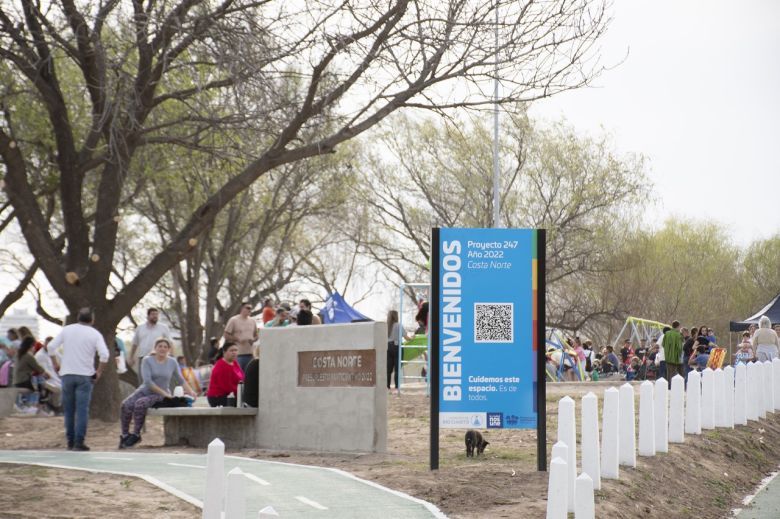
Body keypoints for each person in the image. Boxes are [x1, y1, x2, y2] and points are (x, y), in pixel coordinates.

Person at [46, 308, 109, 451]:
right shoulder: (95, 334)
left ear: (78, 318)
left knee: (68, 410)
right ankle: (79, 442)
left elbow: (50, 347)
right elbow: (104, 355)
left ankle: (70, 440)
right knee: (82, 410)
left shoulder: (67, 330)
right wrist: (98, 372)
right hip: (85, 375)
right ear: (92, 320)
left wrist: (56, 363)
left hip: (67, 374)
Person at [119, 338, 196, 448]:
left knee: (140, 404)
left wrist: (191, 391)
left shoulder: (172, 362)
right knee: (125, 405)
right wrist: (167, 395)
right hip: (145, 390)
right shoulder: (147, 360)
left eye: (165, 347)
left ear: (169, 349)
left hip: (160, 394)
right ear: (155, 348)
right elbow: (148, 382)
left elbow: (180, 379)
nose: (162, 349)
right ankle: (125, 435)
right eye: (160, 346)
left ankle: (136, 435)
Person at [13, 336, 49, 414]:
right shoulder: (28, 356)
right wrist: (47, 375)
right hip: (23, 381)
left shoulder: (18, 354)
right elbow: (38, 368)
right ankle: (33, 406)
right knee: (39, 384)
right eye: (34, 345)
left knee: (35, 380)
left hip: (16, 380)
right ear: (31, 346)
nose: (34, 348)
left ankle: (26, 405)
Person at [224, 302, 259, 372]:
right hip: (238, 354)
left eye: (251, 309)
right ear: (242, 308)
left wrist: (253, 340)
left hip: (250, 354)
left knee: (249, 377)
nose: (250, 310)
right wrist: (237, 339)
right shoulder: (233, 320)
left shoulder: (253, 321)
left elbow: (256, 335)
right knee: (238, 377)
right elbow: (226, 335)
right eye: (248, 308)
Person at [207, 342, 244, 407]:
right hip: (218, 397)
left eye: (236, 350)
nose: (234, 352)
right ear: (224, 352)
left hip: (232, 394)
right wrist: (242, 391)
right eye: (231, 350)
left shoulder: (234, 363)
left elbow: (242, 377)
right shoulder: (221, 366)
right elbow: (227, 387)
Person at [386, 310, 412, 393]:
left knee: (388, 369)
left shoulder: (386, 326)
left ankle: (387, 387)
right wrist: (413, 337)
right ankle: (397, 387)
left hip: (388, 347)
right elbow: (407, 337)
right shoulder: (398, 325)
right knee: (397, 368)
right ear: (396, 316)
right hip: (397, 347)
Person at [662, 320, 684, 386]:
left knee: (669, 373)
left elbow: (663, 344)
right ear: (678, 326)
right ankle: (676, 386)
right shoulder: (679, 335)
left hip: (668, 356)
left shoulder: (667, 333)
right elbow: (680, 347)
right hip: (676, 357)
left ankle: (669, 386)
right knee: (678, 373)